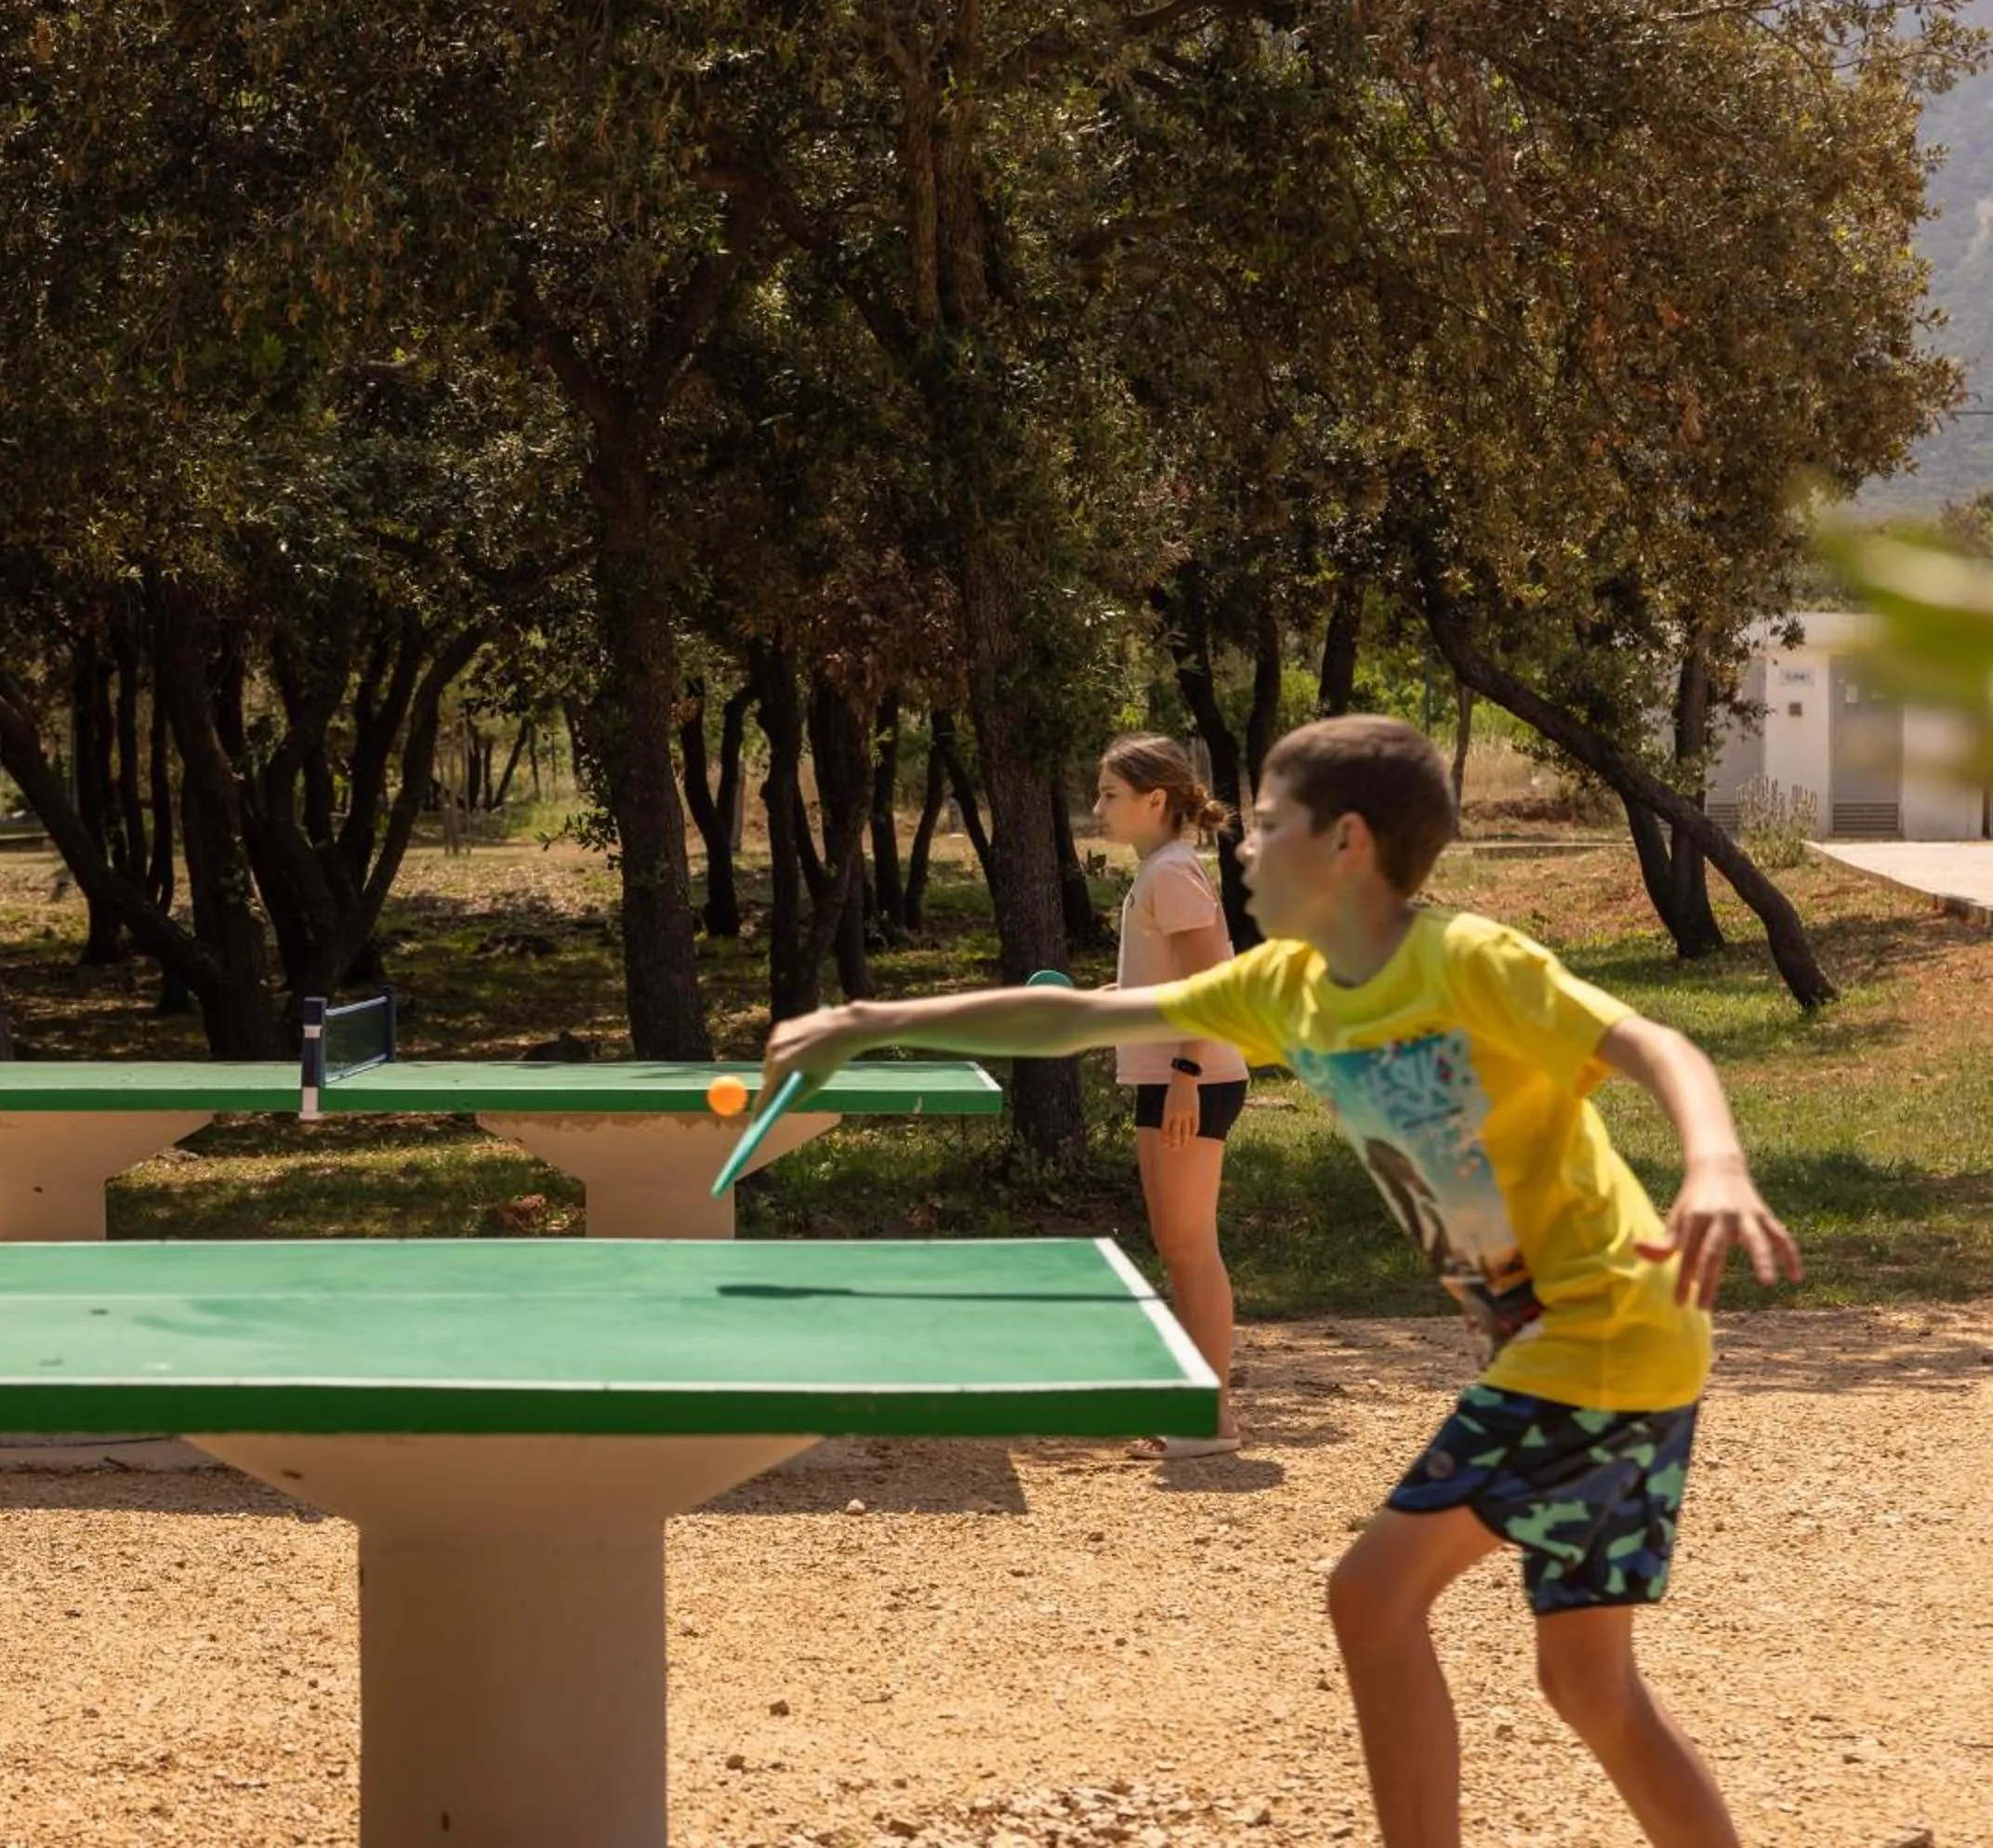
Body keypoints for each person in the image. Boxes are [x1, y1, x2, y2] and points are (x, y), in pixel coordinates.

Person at [764, 714, 1795, 1847]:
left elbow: (1653, 1043)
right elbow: (1076, 1017)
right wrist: (870, 1021)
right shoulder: (1288, 989)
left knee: (1373, 1595)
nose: (1242, 843)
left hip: (1595, 1330)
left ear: (1346, 840)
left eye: (1263, 821)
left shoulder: (1469, 960)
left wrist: (1717, 1160)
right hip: (1619, 1341)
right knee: (1590, 1686)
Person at [1091, 733, 1249, 1459]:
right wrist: (1107, 1002)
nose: (1098, 807)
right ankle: (1195, 1407)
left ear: (1155, 800)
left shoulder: (1172, 872)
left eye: (1110, 795)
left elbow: (1213, 981)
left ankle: (1209, 1421)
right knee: (1177, 1245)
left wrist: (1186, 1076)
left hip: (1194, 1078)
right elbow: (1169, 980)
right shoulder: (1160, 870)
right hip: (1170, 1076)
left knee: (1191, 1248)